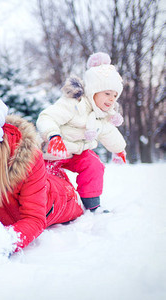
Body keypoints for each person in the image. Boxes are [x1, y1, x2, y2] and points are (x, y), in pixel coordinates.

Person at [0, 95, 83, 258]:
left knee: (62, 190)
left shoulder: (27, 159)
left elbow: (34, 219)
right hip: (16, 211)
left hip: (60, 199)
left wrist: (4, 241)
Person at [36, 52, 127, 212]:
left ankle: (92, 202)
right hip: (53, 150)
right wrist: (53, 136)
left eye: (114, 95)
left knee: (94, 164)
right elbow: (47, 117)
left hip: (77, 152)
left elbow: (109, 133)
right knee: (50, 177)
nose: (111, 99)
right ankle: (48, 202)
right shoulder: (74, 104)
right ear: (93, 91)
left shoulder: (102, 115)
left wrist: (119, 149)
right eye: (107, 93)